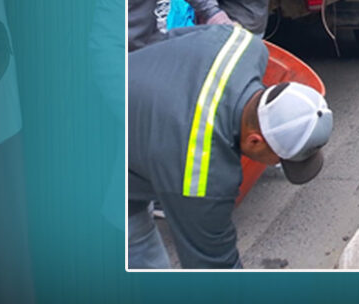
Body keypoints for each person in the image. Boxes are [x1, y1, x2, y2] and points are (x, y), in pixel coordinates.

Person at [128, 25, 333, 268]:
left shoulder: (242, 43)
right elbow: (214, 268)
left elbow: (166, 41)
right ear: (254, 140)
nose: (276, 164)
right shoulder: (201, 174)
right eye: (279, 159)